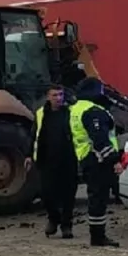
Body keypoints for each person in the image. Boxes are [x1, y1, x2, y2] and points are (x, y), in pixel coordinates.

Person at [71, 77, 122, 247]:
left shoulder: (75, 109)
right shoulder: (93, 111)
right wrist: (114, 160)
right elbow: (100, 139)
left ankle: (97, 235)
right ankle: (98, 237)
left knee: (95, 197)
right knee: (99, 199)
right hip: (98, 159)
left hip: (85, 157)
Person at [27, 84, 78, 239]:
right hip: (46, 159)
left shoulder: (70, 113)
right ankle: (53, 219)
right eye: (55, 95)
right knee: (47, 193)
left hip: (68, 159)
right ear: (48, 97)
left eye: (61, 95)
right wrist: (28, 155)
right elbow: (34, 135)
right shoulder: (41, 114)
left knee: (68, 195)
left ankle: (66, 225)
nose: (58, 98)